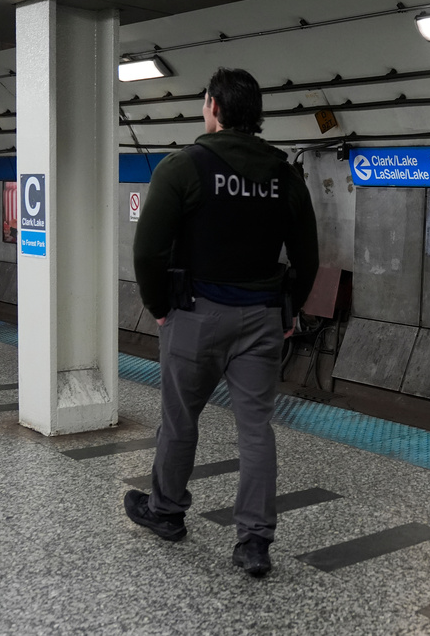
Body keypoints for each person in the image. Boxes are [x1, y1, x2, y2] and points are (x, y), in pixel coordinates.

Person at [125, 67, 319, 578]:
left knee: (180, 418)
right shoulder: (285, 176)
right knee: (256, 429)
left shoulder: (183, 167)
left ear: (214, 106)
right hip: (262, 319)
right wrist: (290, 311)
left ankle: (167, 512)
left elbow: (148, 251)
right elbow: (308, 257)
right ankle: (254, 542)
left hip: (195, 315)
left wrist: (158, 305)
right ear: (255, 115)